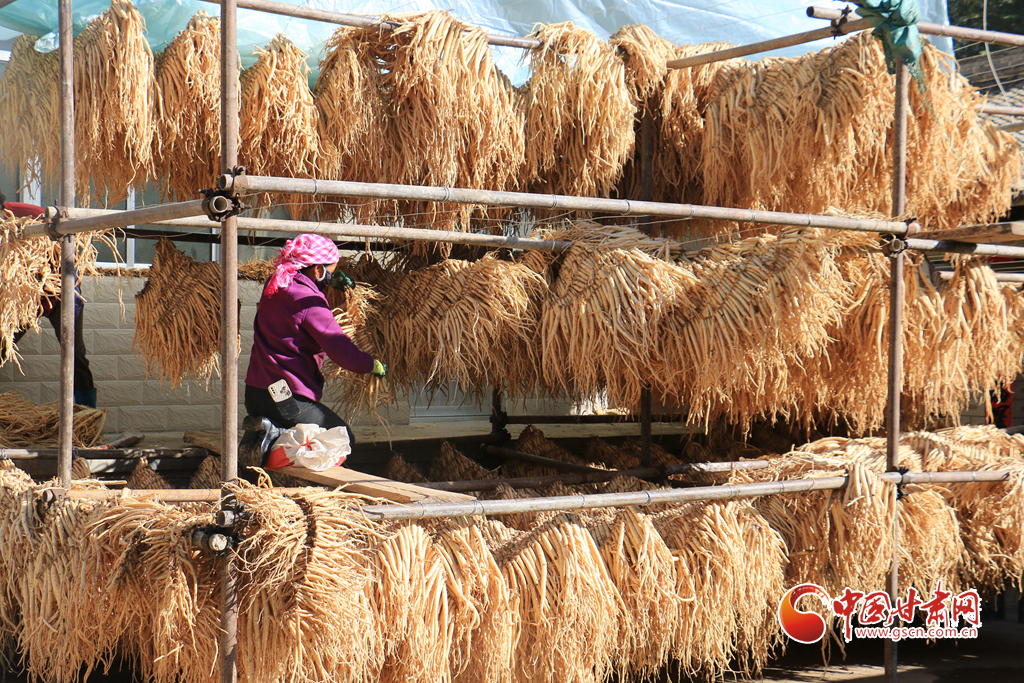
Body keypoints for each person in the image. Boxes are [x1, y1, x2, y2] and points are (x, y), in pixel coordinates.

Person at [243, 233, 385, 448]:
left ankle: (268, 440)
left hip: (256, 392)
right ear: (317, 269)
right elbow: (342, 351)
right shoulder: (309, 301)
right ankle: (269, 442)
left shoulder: (276, 284)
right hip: (286, 398)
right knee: (342, 440)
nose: (331, 276)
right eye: (331, 271)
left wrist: (327, 282)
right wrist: (369, 364)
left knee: (297, 442)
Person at [1, 192, 96, 408]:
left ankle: (87, 415)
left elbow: (68, 249)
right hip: (26, 296)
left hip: (61, 291)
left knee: (75, 354)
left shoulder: (32, 215)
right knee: (3, 344)